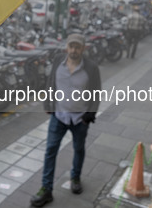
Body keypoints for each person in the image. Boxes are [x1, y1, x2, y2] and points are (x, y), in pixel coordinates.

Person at [30, 33, 101, 207]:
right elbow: (50, 82)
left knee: (78, 149)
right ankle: (46, 189)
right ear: (66, 48)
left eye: (78, 47)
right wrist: (47, 103)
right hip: (59, 116)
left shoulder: (91, 67)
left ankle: (75, 177)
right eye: (71, 46)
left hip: (80, 119)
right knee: (50, 151)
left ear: (83, 49)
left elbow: (96, 93)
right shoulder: (58, 61)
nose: (74, 50)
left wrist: (89, 116)